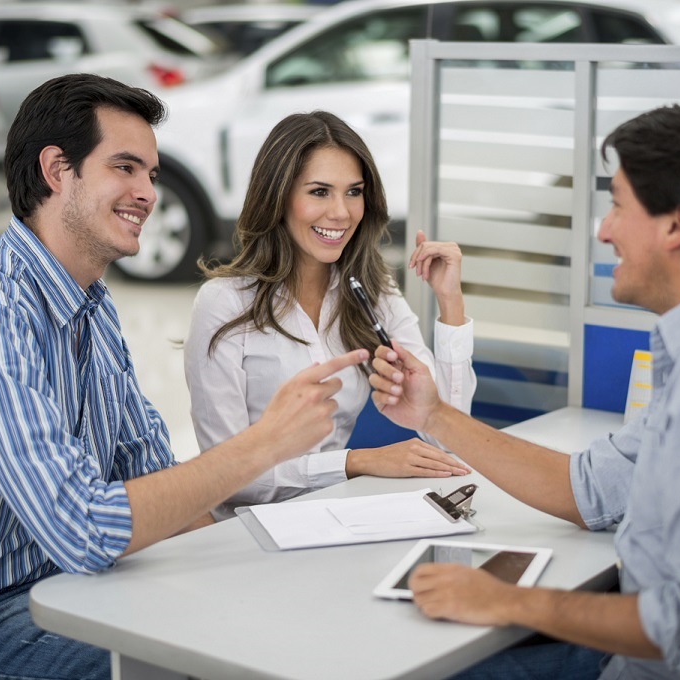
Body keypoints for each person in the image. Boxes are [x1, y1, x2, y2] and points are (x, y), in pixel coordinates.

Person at [367, 104, 680, 679]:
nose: (604, 229)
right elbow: (591, 490)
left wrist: (509, 602)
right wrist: (433, 415)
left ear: (676, 224)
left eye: (617, 204)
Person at [0, 74, 366, 680]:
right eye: (125, 167)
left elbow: (151, 472)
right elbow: (86, 528)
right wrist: (264, 444)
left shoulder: (90, 303)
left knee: (275, 621)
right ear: (57, 170)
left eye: (151, 174)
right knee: (213, 659)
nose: (147, 192)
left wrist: (264, 568)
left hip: (70, 587)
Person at [183, 111, 475, 519]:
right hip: (249, 536)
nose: (341, 212)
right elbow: (227, 474)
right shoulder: (225, 304)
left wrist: (451, 306)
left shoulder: (374, 291)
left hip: (336, 520)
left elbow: (450, 438)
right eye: (320, 192)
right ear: (278, 197)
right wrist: (354, 462)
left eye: (353, 192)